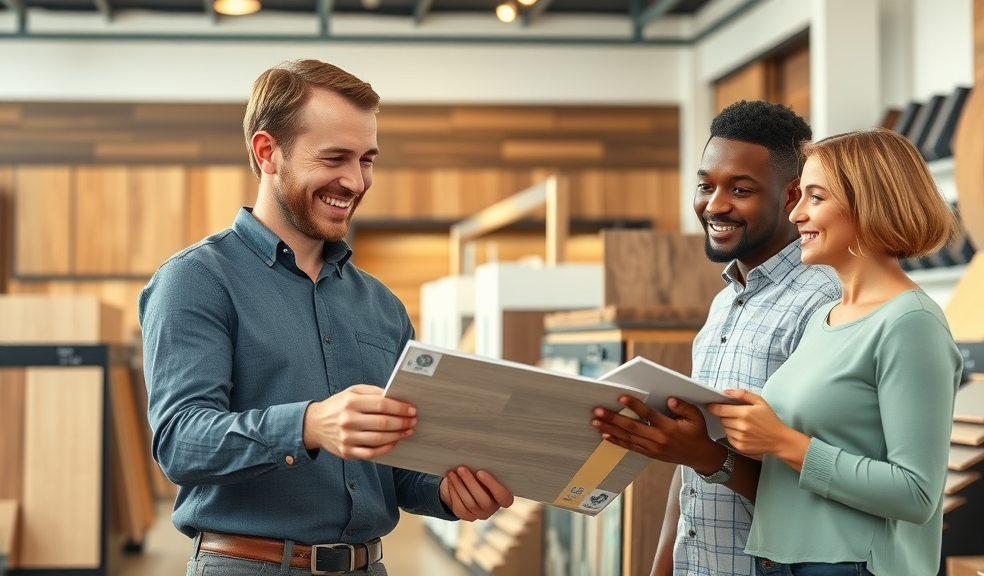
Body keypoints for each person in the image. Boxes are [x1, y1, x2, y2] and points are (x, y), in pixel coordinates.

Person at [140, 59, 513, 576]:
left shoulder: (383, 307)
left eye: (367, 160)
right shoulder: (197, 280)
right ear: (267, 152)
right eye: (335, 157)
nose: (356, 181)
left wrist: (448, 493)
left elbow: (396, 470)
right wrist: (310, 424)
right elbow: (180, 441)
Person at [591, 100, 841, 576]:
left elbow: (824, 481)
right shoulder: (725, 301)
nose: (714, 204)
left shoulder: (824, 302)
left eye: (740, 189)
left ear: (792, 197)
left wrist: (706, 457)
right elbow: (689, 467)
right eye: (706, 185)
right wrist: (662, 567)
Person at [705, 128, 962, 576]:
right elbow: (805, 458)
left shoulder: (911, 322)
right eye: (799, 195)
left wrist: (783, 441)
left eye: (816, 197)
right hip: (782, 562)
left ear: (871, 204)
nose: (797, 213)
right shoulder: (824, 317)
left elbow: (917, 494)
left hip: (850, 566)